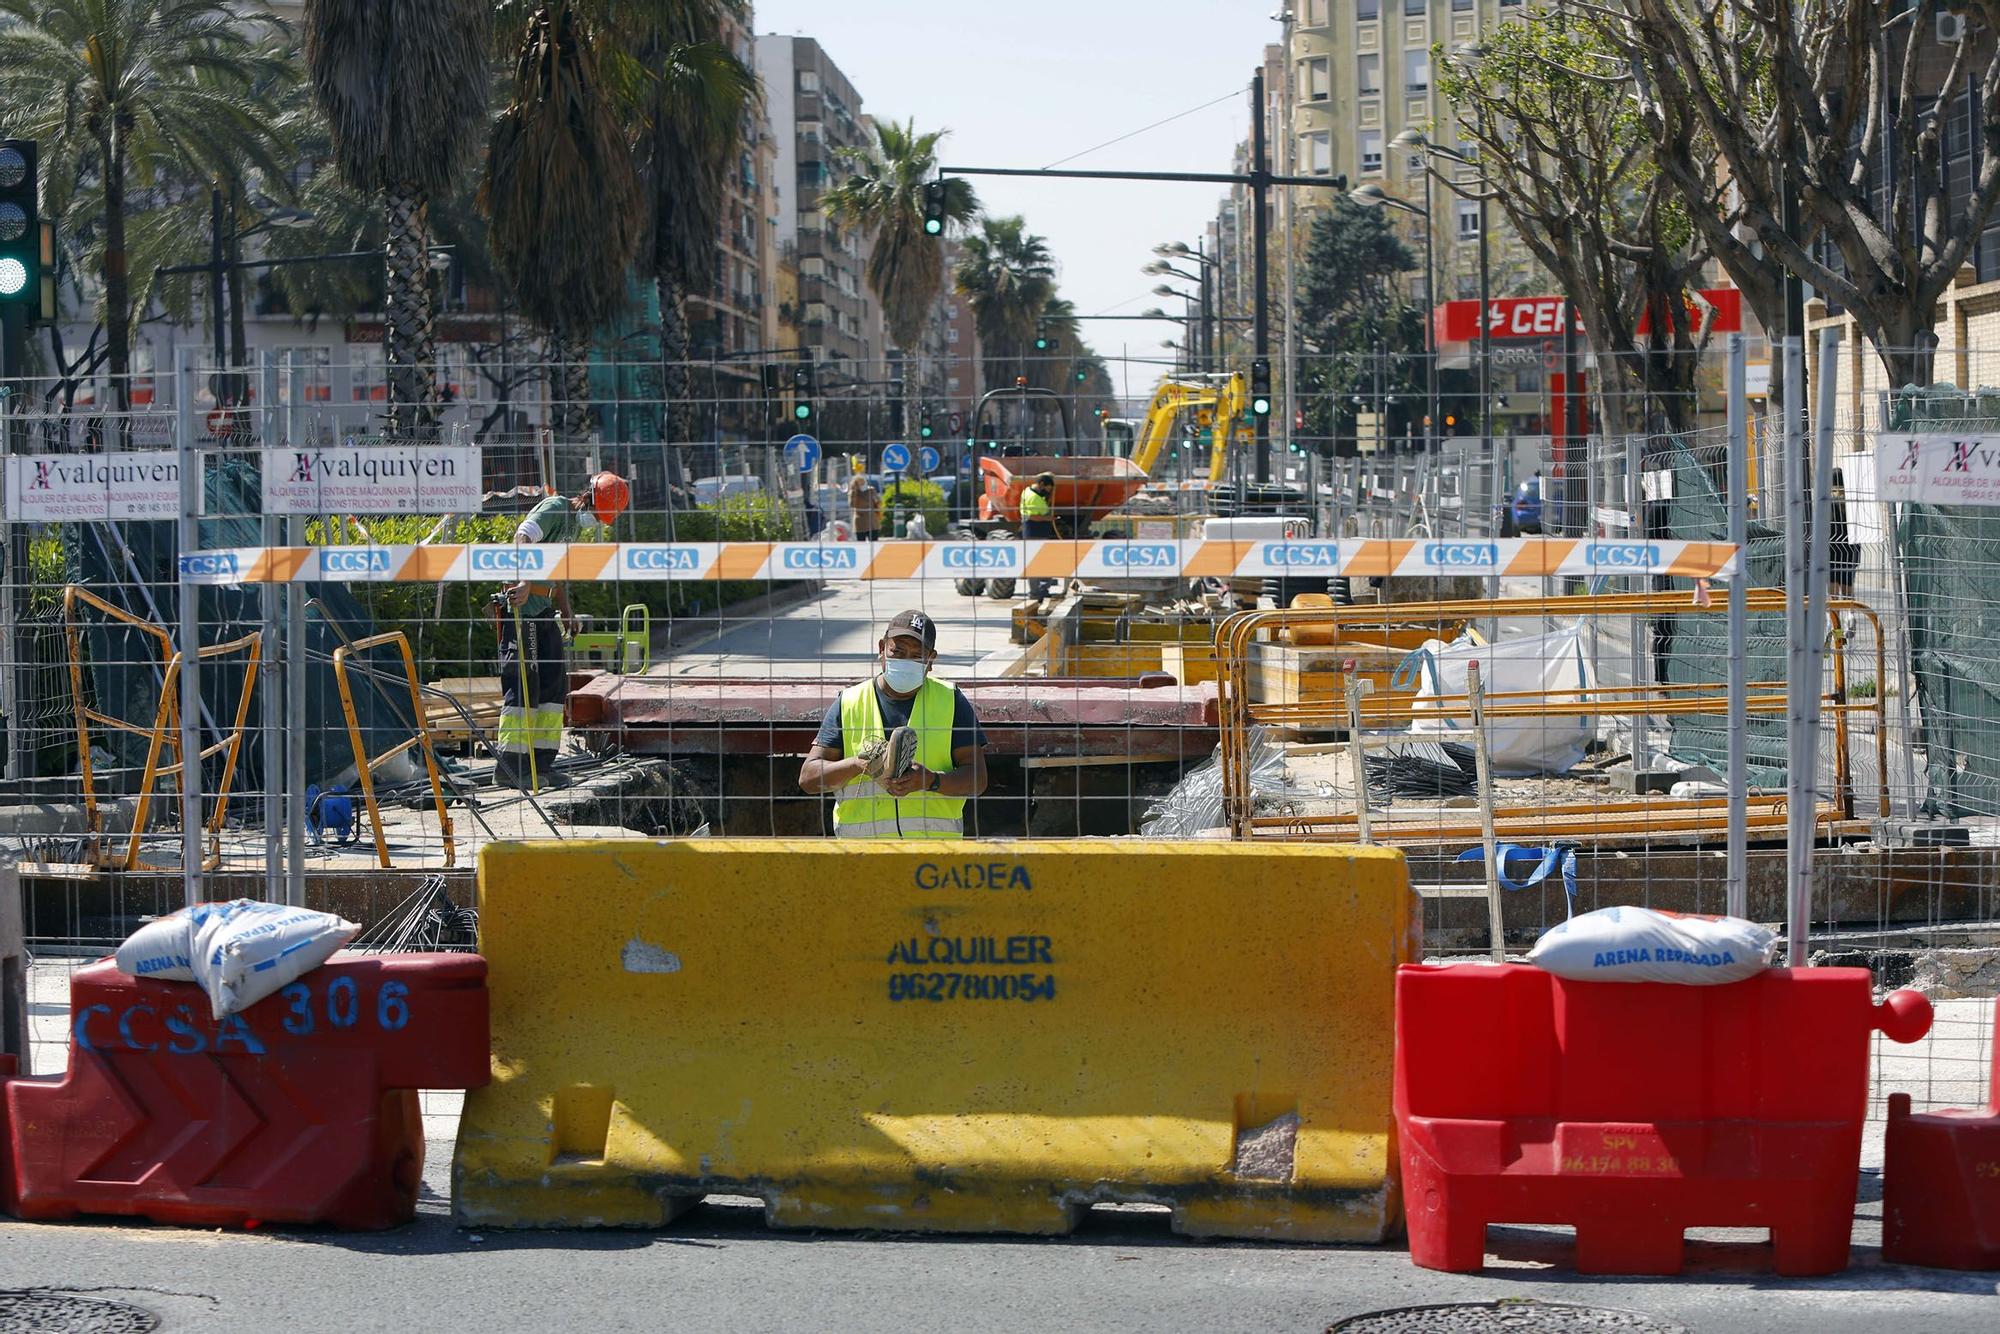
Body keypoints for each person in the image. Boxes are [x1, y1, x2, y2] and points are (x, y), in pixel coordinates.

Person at [492, 470, 630, 790]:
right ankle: (510, 766)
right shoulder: (554, 509)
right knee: (525, 684)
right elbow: (521, 538)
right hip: (521, 610)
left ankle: (542, 763)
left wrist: (566, 613)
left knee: (553, 686)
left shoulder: (573, 529)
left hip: (543, 611)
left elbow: (559, 575)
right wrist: (524, 581)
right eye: (596, 515)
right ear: (587, 500)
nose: (596, 522)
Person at [798, 609, 989, 838]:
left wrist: (930, 781)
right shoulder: (850, 702)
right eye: (897, 651)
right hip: (864, 857)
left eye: (917, 655)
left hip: (933, 856)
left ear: (931, 660)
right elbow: (808, 779)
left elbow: (978, 779)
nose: (906, 661)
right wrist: (859, 765)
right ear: (881, 649)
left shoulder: (951, 701)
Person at [1020, 471, 1059, 599]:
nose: (1048, 492)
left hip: (1036, 532)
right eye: (1047, 489)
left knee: (1041, 562)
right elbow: (1033, 516)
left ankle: (1039, 590)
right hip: (1035, 532)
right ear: (1041, 484)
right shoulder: (1032, 497)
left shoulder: (1028, 491)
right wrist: (1049, 519)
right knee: (1037, 563)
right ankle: (1036, 592)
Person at [848, 469, 881, 542]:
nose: (863, 485)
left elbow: (878, 502)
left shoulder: (871, 490)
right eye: (860, 484)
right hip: (860, 522)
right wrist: (854, 492)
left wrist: (875, 497)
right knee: (861, 542)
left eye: (863, 483)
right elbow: (852, 504)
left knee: (874, 541)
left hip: (872, 521)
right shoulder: (854, 493)